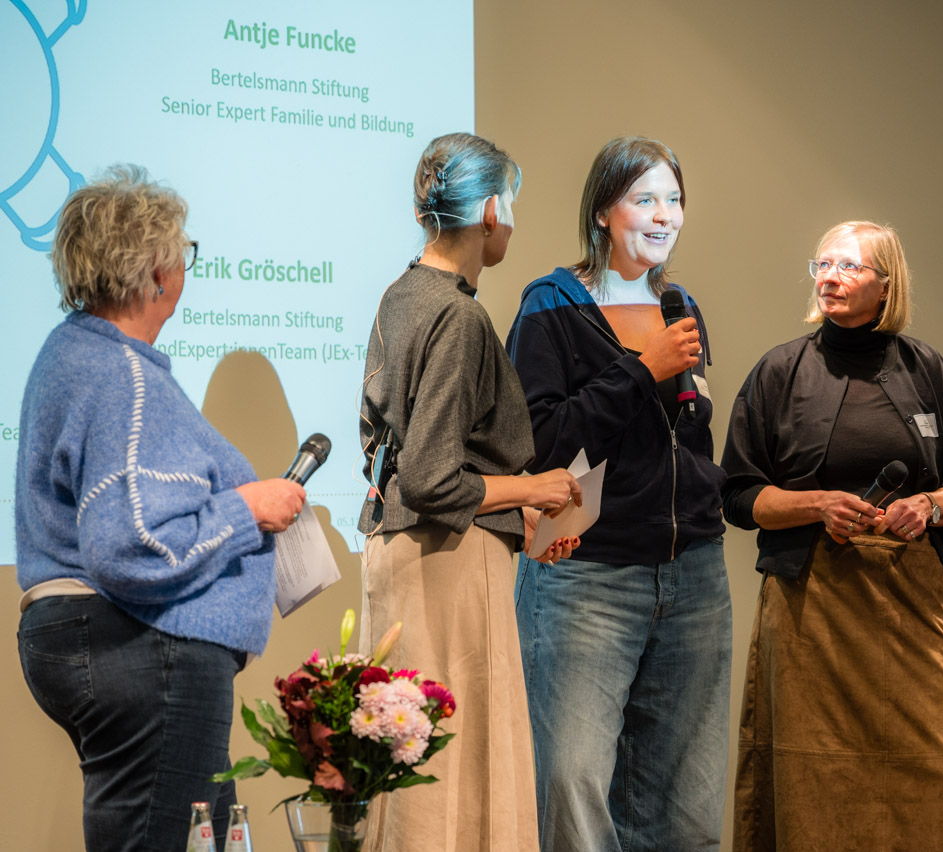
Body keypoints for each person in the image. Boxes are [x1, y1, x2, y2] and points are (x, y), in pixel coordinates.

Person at [14, 165, 307, 852]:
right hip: (141, 651)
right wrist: (247, 508)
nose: (185, 269)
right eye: (183, 253)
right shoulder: (123, 377)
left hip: (105, 643)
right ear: (155, 271)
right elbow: (130, 544)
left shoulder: (74, 355)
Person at [721, 220, 943, 851]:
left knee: (932, 762)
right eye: (822, 265)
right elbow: (736, 493)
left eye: (848, 266)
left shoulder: (926, 369)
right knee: (812, 769)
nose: (830, 277)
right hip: (812, 609)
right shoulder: (779, 372)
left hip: (911, 610)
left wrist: (928, 505)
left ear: (885, 283)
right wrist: (815, 506)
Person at [504, 136, 732, 851]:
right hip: (588, 577)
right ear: (603, 211)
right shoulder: (551, 303)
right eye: (644, 199)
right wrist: (641, 368)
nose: (663, 215)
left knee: (687, 802)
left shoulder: (679, 302)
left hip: (693, 574)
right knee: (573, 785)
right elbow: (540, 444)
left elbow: (687, 432)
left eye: (674, 199)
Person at [357, 132, 581, 852]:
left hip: (406, 552)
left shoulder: (401, 295)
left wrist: (517, 514)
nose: (511, 217)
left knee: (411, 765)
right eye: (509, 200)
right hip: (445, 565)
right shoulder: (458, 314)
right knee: (448, 777)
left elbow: (409, 459)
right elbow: (431, 476)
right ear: (489, 210)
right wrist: (535, 489)